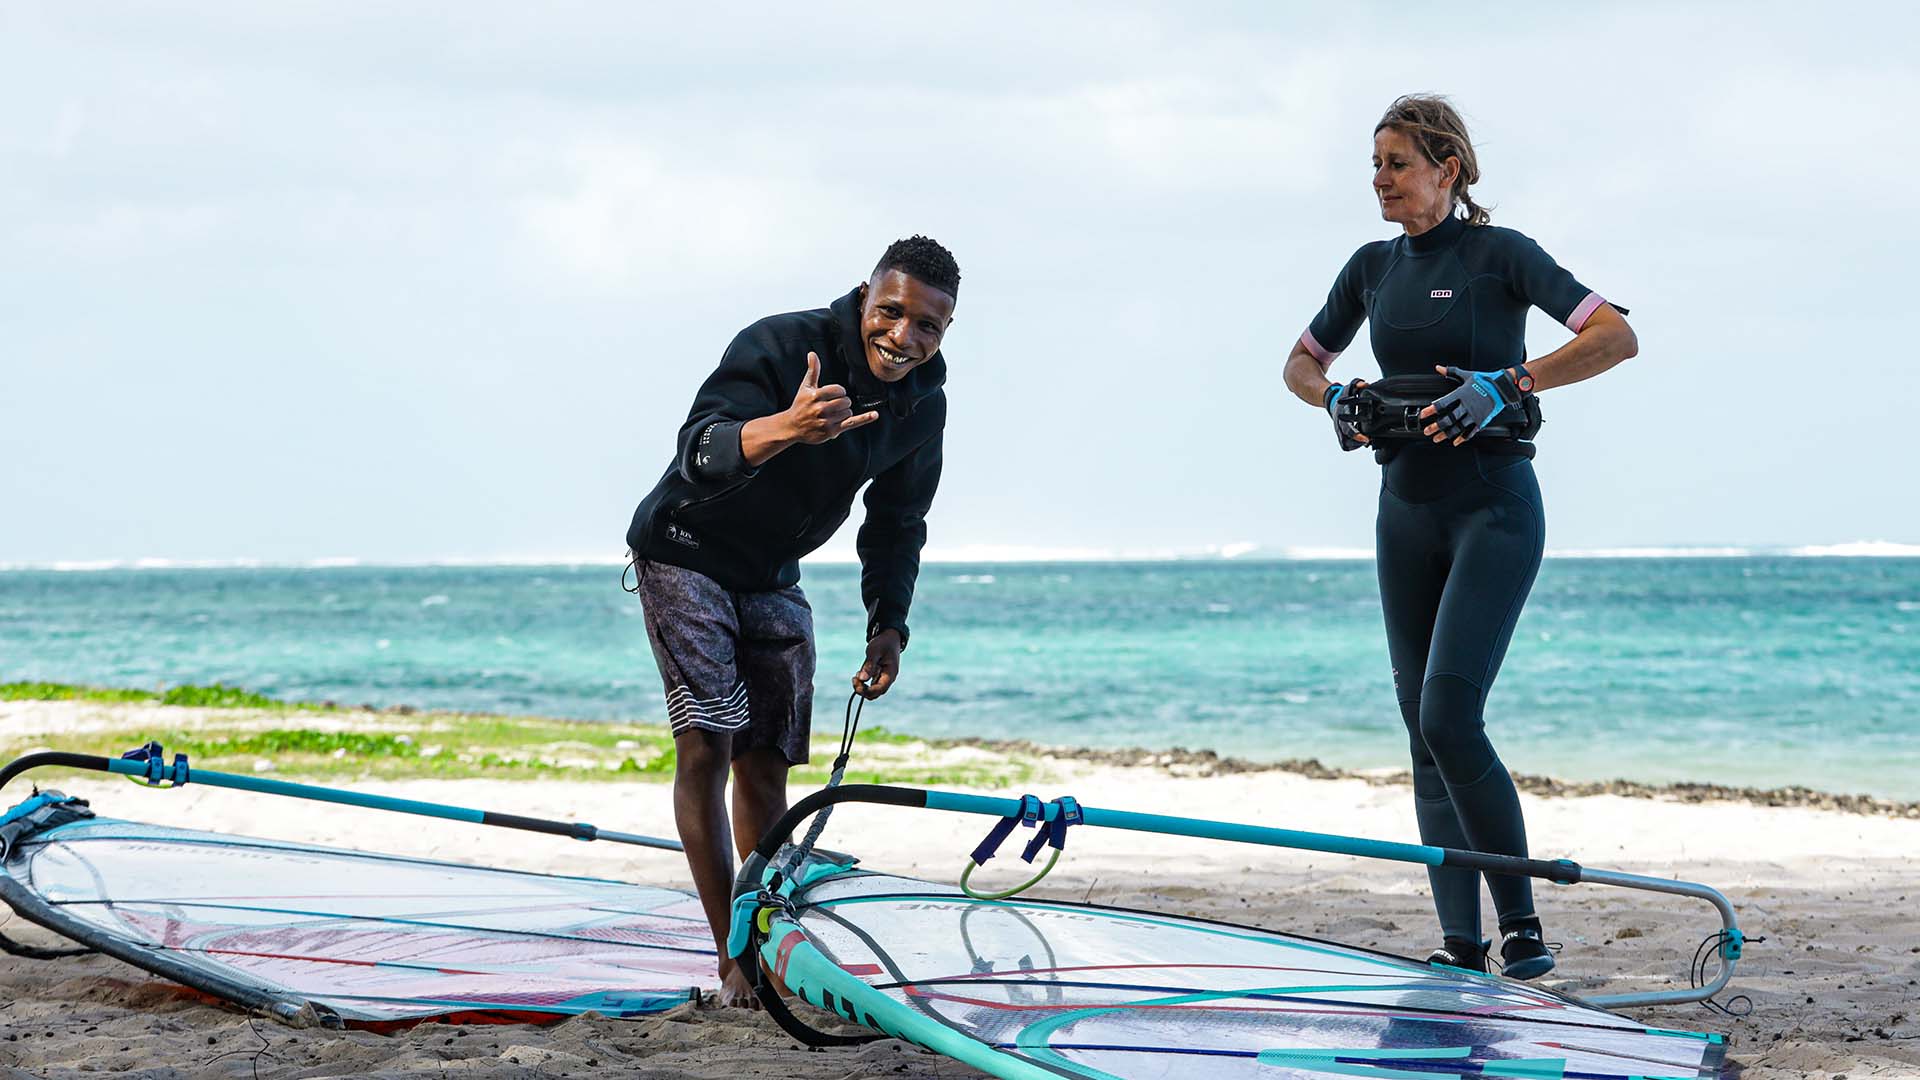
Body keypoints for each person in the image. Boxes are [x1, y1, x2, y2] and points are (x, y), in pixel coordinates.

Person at [1282, 96, 1638, 979]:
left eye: (1397, 162)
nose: (1380, 178)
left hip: (1494, 507)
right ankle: (1460, 943)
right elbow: (1298, 362)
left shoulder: (1500, 255)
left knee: (1450, 713)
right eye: (1375, 163)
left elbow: (1615, 336)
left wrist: (1510, 382)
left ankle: (1522, 929)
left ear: (1447, 167)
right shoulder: (1369, 268)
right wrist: (1334, 398)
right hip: (1403, 509)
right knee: (1420, 728)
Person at [624, 236, 958, 1006]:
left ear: (946, 331)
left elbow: (899, 522)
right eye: (891, 312)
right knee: (706, 743)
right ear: (866, 294)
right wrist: (787, 427)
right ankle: (731, 958)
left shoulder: (923, 405)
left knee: (768, 760)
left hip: (773, 572)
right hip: (685, 548)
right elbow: (699, 451)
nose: (903, 337)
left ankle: (766, 933)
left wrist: (888, 626)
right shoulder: (780, 345)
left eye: (928, 326)